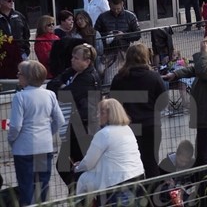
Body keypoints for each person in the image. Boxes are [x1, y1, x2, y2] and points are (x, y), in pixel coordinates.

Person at [164, 35, 207, 166]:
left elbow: (202, 71)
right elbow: (195, 69)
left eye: (205, 50)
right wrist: (175, 74)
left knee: (204, 155)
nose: (203, 53)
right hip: (206, 117)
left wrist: (202, 54)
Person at [9, 61, 64, 206]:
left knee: (26, 186)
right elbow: (60, 120)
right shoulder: (50, 94)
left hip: (24, 149)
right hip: (44, 147)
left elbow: (15, 126)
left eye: (20, 73)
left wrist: (12, 140)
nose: (17, 76)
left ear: (27, 77)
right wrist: (48, 133)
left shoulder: (20, 97)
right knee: (41, 186)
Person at [110, 43, 168, 178]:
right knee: (151, 162)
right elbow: (163, 102)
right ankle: (153, 196)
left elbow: (114, 103)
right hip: (151, 125)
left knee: (132, 163)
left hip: (128, 126)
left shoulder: (119, 78)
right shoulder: (153, 77)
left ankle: (137, 195)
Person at [50, 43, 101, 193]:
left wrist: (63, 88)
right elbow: (52, 85)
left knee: (71, 165)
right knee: (65, 165)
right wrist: (62, 85)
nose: (72, 60)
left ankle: (81, 193)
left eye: (76, 58)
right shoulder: (73, 72)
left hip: (84, 127)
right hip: (74, 125)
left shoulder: (88, 77)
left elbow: (66, 95)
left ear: (87, 61)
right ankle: (78, 191)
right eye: (72, 57)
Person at [74, 99, 145, 195]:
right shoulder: (127, 129)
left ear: (109, 115)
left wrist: (78, 168)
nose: (97, 115)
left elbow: (89, 163)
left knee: (81, 178)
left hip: (118, 180)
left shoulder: (104, 134)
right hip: (138, 174)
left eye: (101, 113)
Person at [95, 0, 141, 85]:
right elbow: (96, 34)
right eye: (113, 9)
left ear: (122, 4)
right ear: (109, 6)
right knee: (106, 76)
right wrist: (108, 36)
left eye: (118, 9)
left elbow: (138, 34)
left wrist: (124, 35)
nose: (116, 11)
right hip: (108, 52)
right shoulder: (103, 17)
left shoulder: (130, 16)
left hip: (124, 50)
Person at [0, 0, 30, 79]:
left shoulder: (19, 16)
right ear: (1, 2)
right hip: (3, 56)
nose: (12, 3)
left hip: (20, 53)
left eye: (13, 0)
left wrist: (25, 50)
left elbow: (26, 33)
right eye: (9, 1)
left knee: (24, 77)